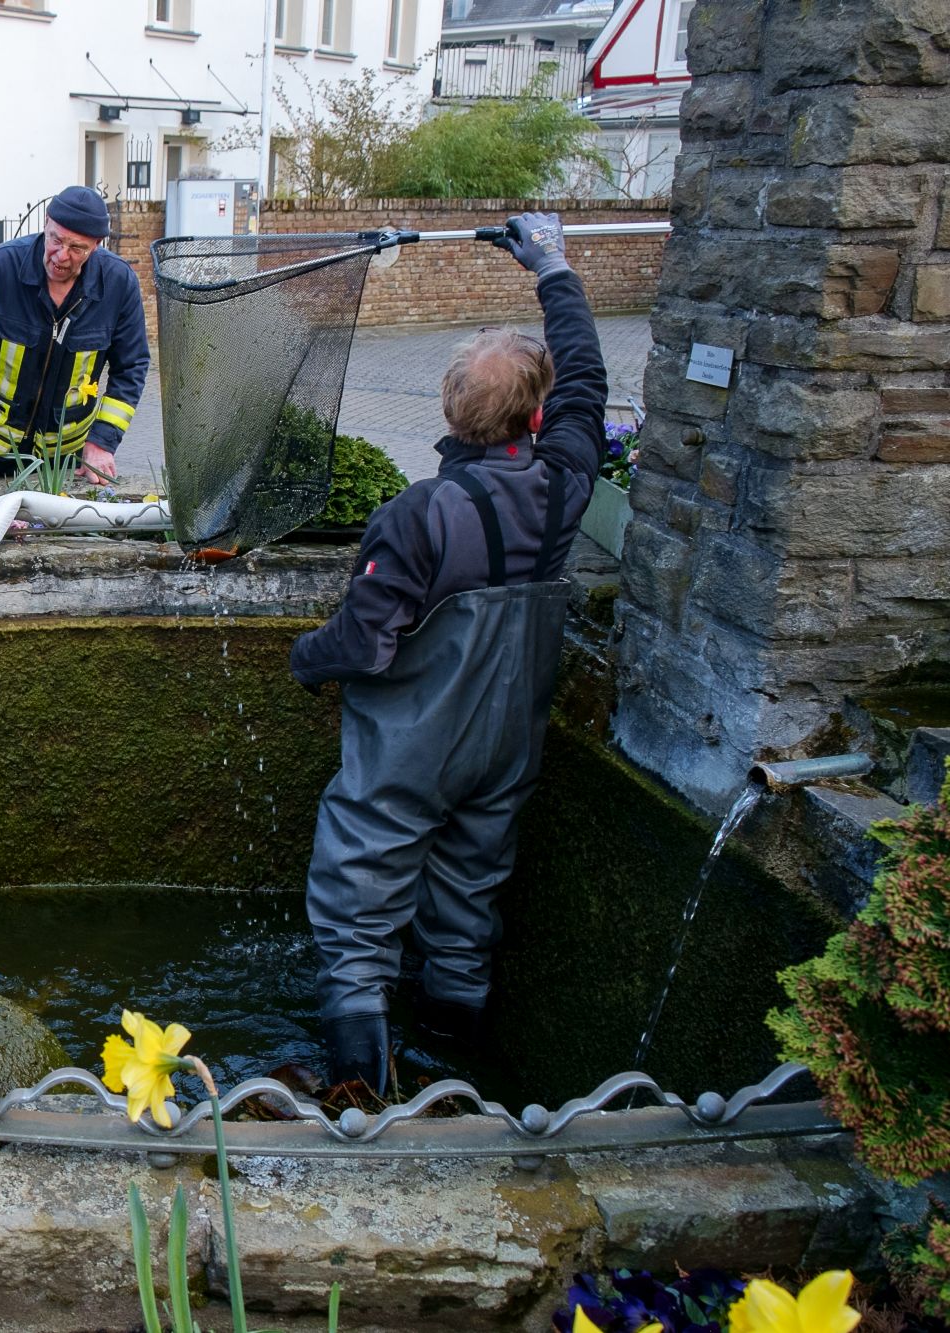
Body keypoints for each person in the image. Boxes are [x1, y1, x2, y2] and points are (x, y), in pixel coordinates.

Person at [288, 213, 607, 1096]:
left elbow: (364, 640)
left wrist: (306, 659)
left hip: (413, 749)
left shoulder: (417, 514)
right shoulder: (567, 482)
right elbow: (587, 379)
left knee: (360, 894)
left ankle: (359, 1086)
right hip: (509, 742)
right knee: (469, 894)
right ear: (536, 416)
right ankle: (457, 1066)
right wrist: (553, 268)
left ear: (448, 408)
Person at [0, 187, 150, 486]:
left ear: (97, 245)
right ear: (46, 223)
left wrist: (102, 442)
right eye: (56, 239)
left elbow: (132, 367)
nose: (61, 255)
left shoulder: (119, 284)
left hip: (64, 455)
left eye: (77, 248)